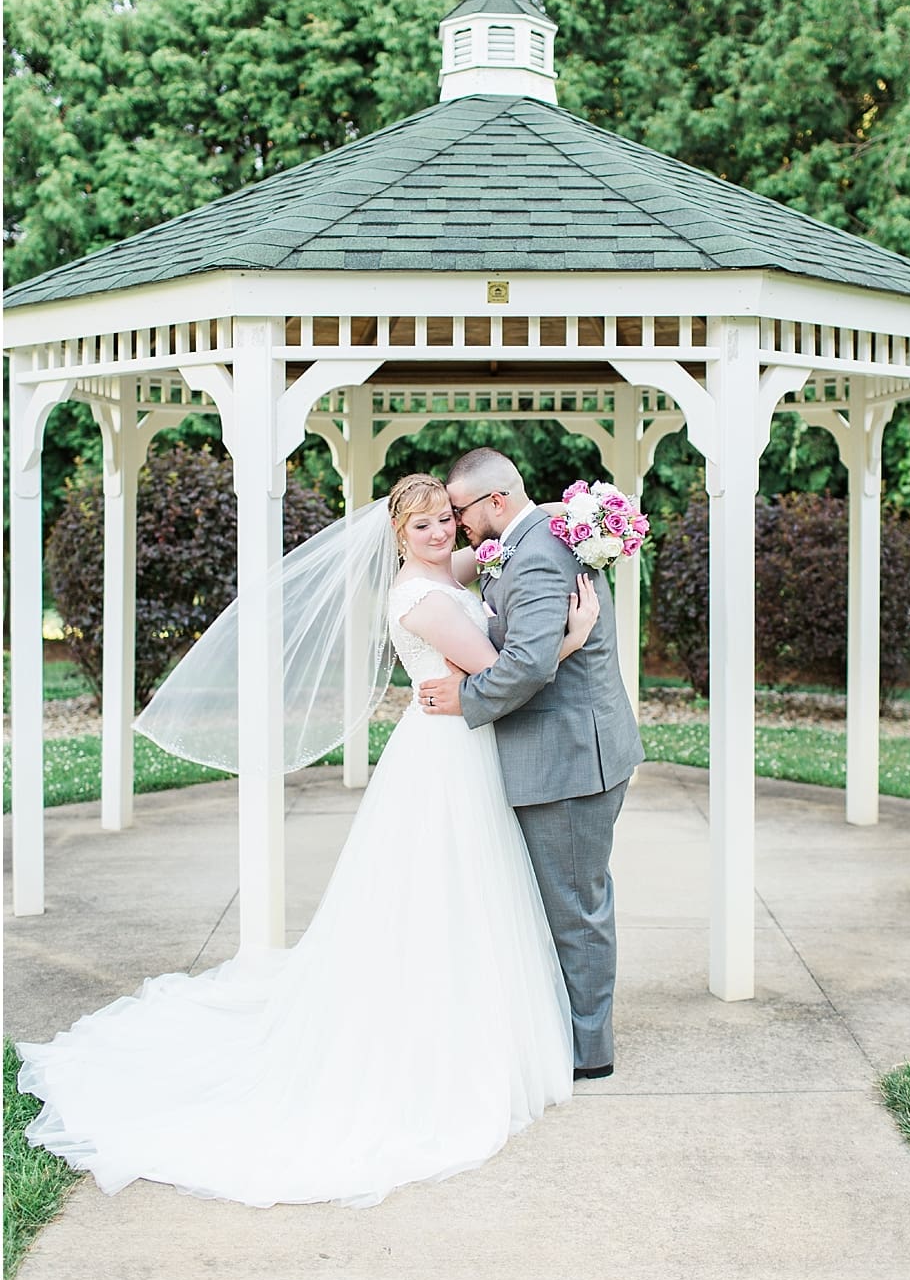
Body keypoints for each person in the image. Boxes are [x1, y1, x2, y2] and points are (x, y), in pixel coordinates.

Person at [16, 474, 600, 1207]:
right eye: (421, 526)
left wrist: (578, 526)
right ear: (396, 536)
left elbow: (497, 548)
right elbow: (506, 671)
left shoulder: (446, 569)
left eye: (445, 520)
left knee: (464, 890)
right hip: (447, 753)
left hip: (460, 744)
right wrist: (574, 635)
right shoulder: (421, 598)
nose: (440, 533)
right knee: (442, 885)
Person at [415, 448, 645, 1082]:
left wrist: (463, 699)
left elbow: (528, 664)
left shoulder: (539, 552)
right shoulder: (525, 536)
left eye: (458, 511)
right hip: (559, 748)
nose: (455, 524)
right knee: (558, 901)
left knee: (576, 906)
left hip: (571, 756)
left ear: (494, 502)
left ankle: (587, 1050)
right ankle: (561, 1026)